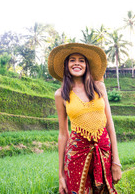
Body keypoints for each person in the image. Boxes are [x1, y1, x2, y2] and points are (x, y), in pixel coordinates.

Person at [48, 43, 122, 194]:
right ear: (66, 65)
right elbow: (63, 134)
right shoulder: (60, 93)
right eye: (72, 60)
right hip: (76, 154)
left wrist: (116, 161)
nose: (77, 63)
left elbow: (110, 124)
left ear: (87, 65)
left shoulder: (99, 87)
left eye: (81, 60)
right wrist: (61, 174)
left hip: (103, 151)